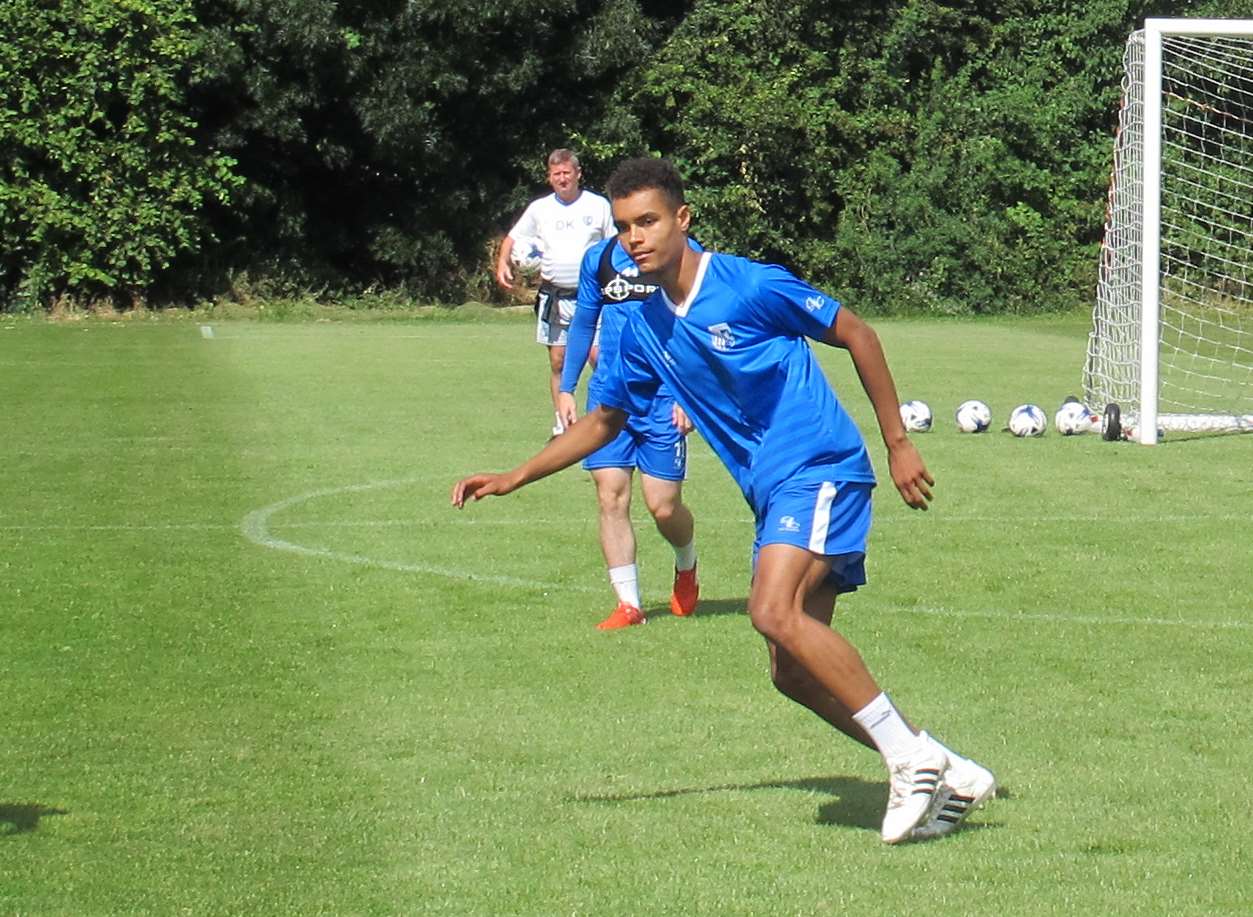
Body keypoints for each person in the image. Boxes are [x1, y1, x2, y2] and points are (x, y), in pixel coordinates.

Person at [457, 157, 995, 843]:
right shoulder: (642, 324)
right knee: (791, 672)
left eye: (647, 221)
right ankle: (942, 764)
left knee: (770, 611)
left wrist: (897, 442)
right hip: (772, 491)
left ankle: (908, 758)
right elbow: (602, 421)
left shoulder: (747, 286)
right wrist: (513, 475)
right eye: (622, 227)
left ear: (683, 219)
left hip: (820, 463)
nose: (634, 237)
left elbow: (855, 330)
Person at [556, 234, 703, 629]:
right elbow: (585, 321)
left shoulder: (682, 250)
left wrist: (688, 395)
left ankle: (686, 564)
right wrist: (567, 388)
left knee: (663, 505)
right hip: (610, 396)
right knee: (610, 497)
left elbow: (698, 324)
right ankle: (629, 605)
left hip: (664, 396)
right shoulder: (599, 258)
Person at [496, 149, 615, 438]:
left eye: (567, 173)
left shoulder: (598, 205)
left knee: (598, 357)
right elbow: (513, 237)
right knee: (559, 361)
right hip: (555, 297)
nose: (562, 179)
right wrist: (502, 261)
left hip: (594, 297)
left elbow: (615, 243)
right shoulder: (540, 209)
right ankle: (563, 422)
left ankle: (607, 419)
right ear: (550, 177)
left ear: (578, 174)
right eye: (556, 174)